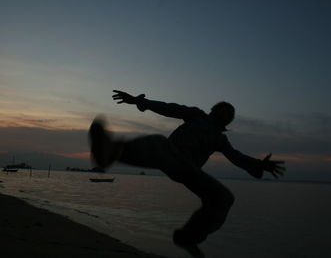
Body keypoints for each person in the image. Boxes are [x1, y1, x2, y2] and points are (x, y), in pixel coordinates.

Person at [89, 90, 285, 250]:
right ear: (213, 111)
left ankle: (189, 237)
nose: (224, 114)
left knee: (223, 198)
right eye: (222, 110)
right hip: (172, 155)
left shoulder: (220, 139)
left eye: (228, 114)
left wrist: (259, 165)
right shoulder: (196, 115)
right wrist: (140, 102)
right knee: (158, 143)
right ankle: (110, 150)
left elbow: (236, 157)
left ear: (228, 122)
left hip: (189, 170)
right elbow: (169, 108)